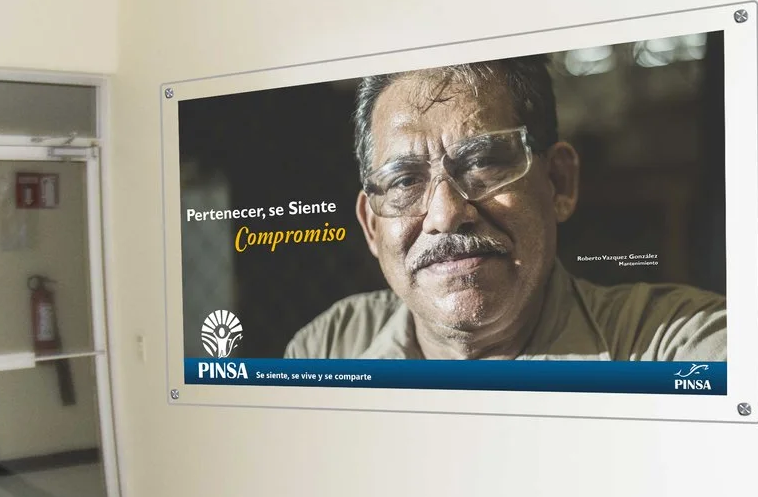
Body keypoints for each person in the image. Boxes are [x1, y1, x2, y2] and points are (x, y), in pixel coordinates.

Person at [286, 57, 726, 361]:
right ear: (371, 226)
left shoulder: (675, 347)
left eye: (482, 163)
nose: (445, 215)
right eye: (405, 181)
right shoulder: (329, 348)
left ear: (559, 183)